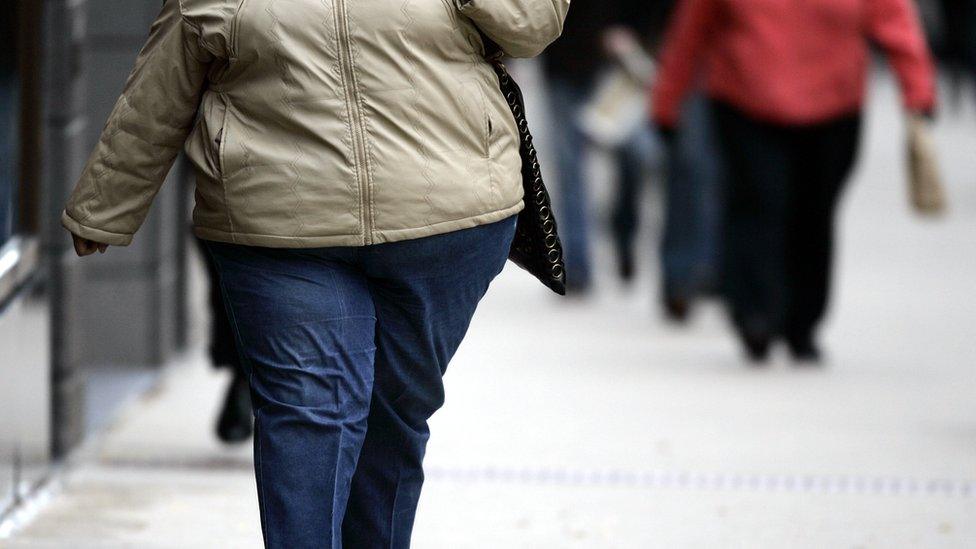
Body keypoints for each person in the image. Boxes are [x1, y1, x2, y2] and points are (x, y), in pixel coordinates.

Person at [61, 0, 569, 547]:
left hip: (442, 222)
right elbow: (165, 77)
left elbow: (533, 24)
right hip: (282, 228)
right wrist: (107, 203)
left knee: (394, 414)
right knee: (310, 416)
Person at [652, 0, 936, 362]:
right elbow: (692, 27)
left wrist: (918, 91)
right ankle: (755, 313)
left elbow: (894, 21)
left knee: (813, 212)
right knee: (756, 204)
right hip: (747, 99)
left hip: (832, 106)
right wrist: (668, 99)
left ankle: (801, 320)